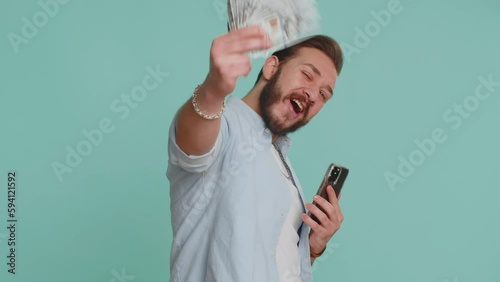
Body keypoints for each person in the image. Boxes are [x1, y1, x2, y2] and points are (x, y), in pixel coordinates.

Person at [166, 26, 344, 282]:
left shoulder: (284, 169)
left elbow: (273, 265)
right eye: (307, 75)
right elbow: (191, 146)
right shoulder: (223, 127)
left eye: (324, 95)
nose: (313, 94)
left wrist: (312, 247)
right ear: (271, 67)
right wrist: (213, 89)